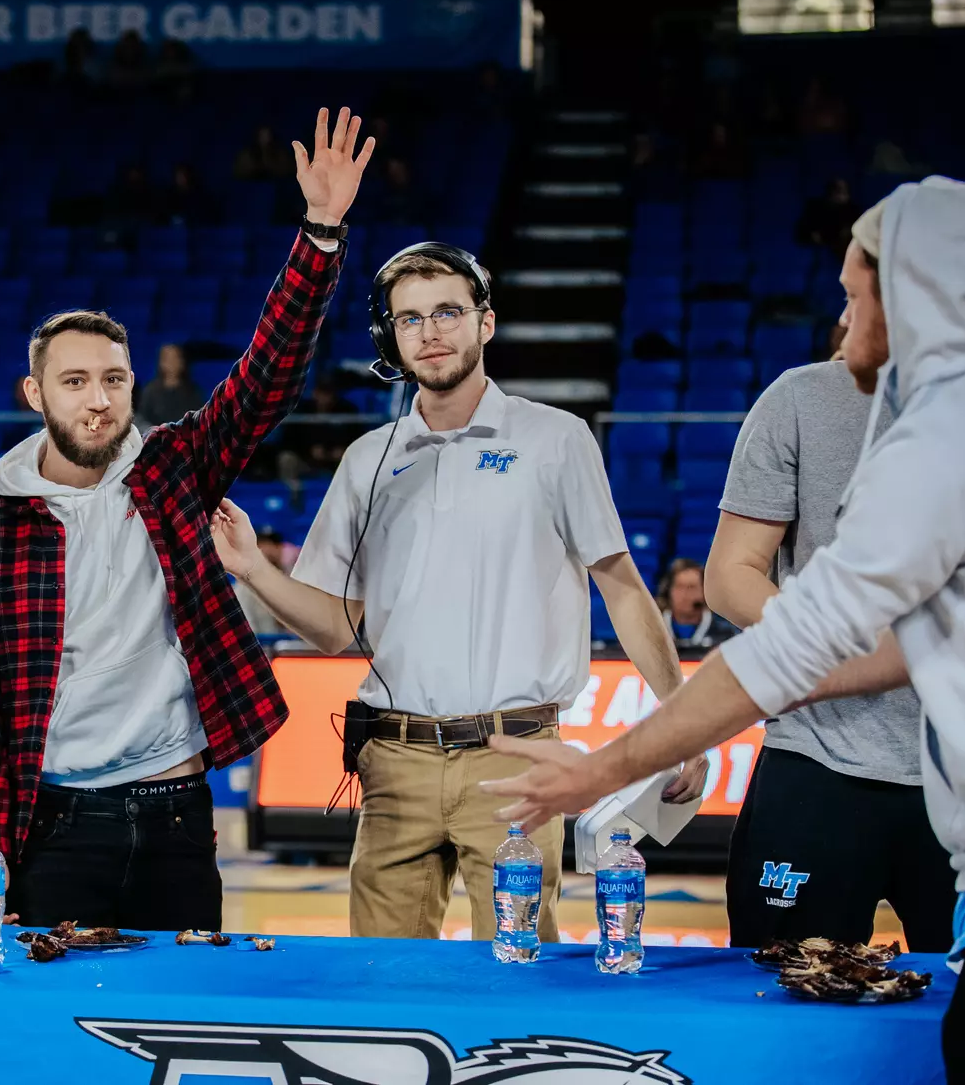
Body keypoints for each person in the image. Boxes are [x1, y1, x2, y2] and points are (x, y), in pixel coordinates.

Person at [477, 179, 965, 1080]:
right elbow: (824, 628)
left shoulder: (943, 443)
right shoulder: (879, 422)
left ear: (912, 307)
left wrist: (607, 768)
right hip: (841, 775)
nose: (841, 314)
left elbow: (816, 642)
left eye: (856, 296)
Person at [0, 107, 372, 932]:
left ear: (133, 385)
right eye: (74, 382)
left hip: (178, 812)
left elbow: (267, 379)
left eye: (112, 379)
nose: (97, 399)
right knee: (56, 1052)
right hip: (56, 823)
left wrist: (319, 233)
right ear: (35, 395)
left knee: (183, 1040)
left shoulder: (175, 467)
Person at [209, 239, 707, 943]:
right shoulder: (366, 459)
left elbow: (622, 588)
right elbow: (334, 630)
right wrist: (254, 571)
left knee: (514, 983)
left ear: (486, 323)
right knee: (381, 986)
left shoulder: (555, 439)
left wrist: (680, 722)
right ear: (391, 338)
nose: (430, 332)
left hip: (516, 759)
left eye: (447, 311)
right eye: (410, 319)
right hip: (392, 761)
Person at [703, 353, 952, 950]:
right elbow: (730, 573)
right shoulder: (802, 398)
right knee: (782, 993)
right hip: (818, 758)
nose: (846, 313)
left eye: (857, 294)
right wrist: (824, 645)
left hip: (958, 771)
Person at [277, 375, 361, 483]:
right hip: (306, 460)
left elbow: (358, 437)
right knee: (287, 459)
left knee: (354, 460)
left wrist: (345, 450)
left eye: (329, 393)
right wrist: (308, 451)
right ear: (315, 393)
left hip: (337, 462)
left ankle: (348, 497)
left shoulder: (347, 410)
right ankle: (291, 496)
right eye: (322, 393)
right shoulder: (302, 411)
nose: (325, 397)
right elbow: (288, 441)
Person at [657, 558, 736, 653]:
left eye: (691, 587)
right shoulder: (652, 629)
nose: (684, 595)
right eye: (679, 587)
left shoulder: (726, 633)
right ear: (669, 591)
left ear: (704, 592)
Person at [233, 527, 287, 637]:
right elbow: (246, 630)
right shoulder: (245, 586)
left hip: (291, 649)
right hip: (264, 649)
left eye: (273, 544)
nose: (267, 549)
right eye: (261, 545)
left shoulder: (292, 582)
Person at [136, 343, 203, 429]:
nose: (171, 363)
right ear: (160, 363)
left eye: (175, 358)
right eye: (167, 359)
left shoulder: (194, 392)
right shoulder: (150, 391)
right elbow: (141, 419)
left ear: (182, 362)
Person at [795, 177, 856, 257]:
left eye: (845, 192)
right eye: (838, 191)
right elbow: (802, 234)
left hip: (841, 254)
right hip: (819, 252)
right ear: (830, 193)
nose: (842, 196)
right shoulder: (815, 208)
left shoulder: (853, 211)